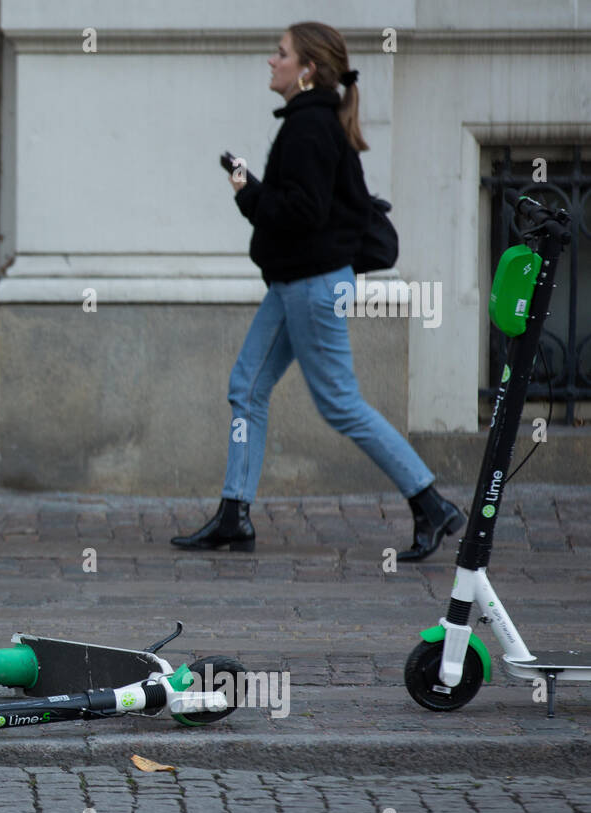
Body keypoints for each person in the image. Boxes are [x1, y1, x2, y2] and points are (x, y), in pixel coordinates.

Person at [171, 20, 462, 561]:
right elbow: (311, 208)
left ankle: (431, 502)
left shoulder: (310, 128)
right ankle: (235, 513)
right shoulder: (313, 122)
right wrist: (255, 191)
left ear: (306, 69)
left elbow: (302, 213)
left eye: (279, 53)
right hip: (292, 286)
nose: (270, 61)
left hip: (312, 286)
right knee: (247, 388)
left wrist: (247, 192)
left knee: (340, 404)